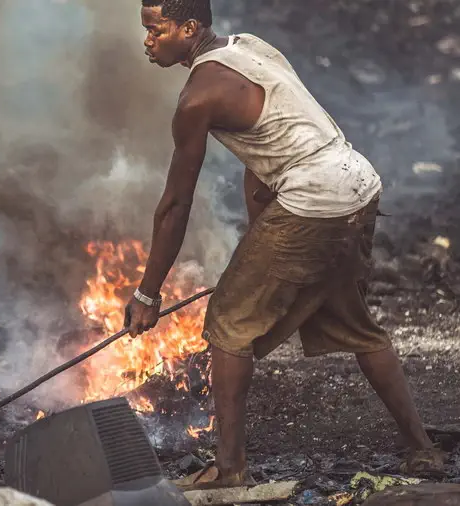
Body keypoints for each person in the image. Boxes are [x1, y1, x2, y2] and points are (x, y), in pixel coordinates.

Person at [123, 0, 445, 491]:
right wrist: (262, 238)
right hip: (357, 181)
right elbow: (265, 156)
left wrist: (148, 295)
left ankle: (230, 471)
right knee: (354, 321)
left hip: (315, 199)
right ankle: (422, 448)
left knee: (229, 323)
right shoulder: (250, 47)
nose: (147, 41)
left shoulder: (195, 100)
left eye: (155, 30)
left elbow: (174, 206)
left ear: (188, 29)